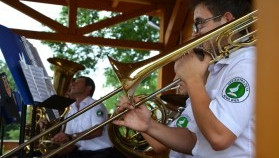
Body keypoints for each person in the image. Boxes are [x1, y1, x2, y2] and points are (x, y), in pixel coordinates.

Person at [113, 0, 256, 157]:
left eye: (199, 24)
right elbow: (195, 141)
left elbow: (219, 137)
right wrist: (149, 125)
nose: (195, 33)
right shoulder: (219, 67)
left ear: (227, 20)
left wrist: (193, 79)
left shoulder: (248, 61)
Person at [52, 76, 119, 158]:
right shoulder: (70, 109)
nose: (72, 84)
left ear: (88, 88)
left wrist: (70, 136)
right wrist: (53, 154)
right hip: (79, 153)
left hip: (101, 153)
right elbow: (71, 142)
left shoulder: (96, 105)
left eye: (77, 82)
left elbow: (97, 131)